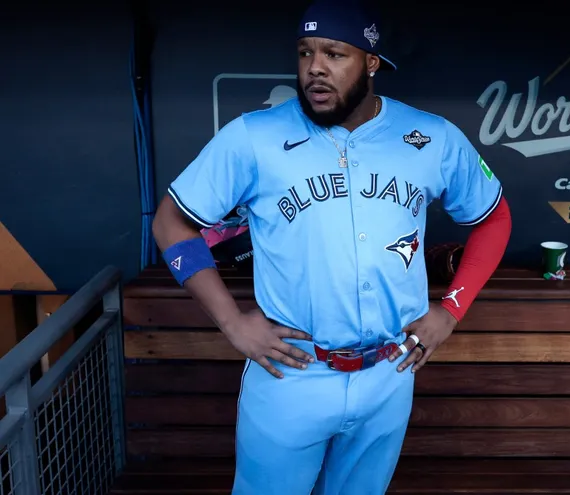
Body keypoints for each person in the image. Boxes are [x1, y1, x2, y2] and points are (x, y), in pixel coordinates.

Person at [150, 0, 512, 493]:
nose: (315, 67)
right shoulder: (254, 137)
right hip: (293, 372)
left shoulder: (432, 136)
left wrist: (450, 310)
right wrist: (232, 322)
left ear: (370, 63)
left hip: (389, 371)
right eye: (305, 53)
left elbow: (494, 218)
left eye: (334, 54)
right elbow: (171, 223)